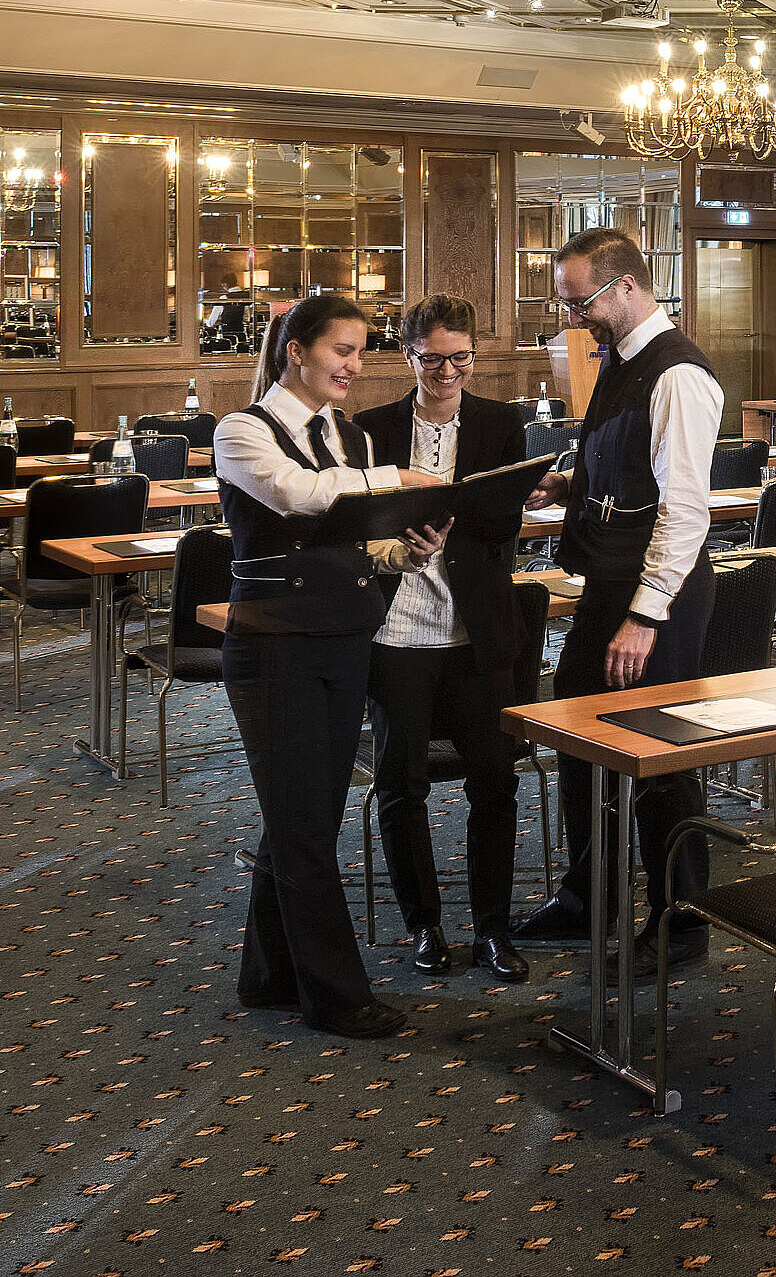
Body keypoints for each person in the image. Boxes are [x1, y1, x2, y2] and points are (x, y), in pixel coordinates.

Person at [214, 293, 447, 1038]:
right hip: (273, 643)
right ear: (297, 351)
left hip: (347, 636)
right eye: (341, 350)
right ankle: (336, 997)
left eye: (359, 351)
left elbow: (357, 543)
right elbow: (298, 496)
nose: (354, 365)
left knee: (302, 816)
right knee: (306, 823)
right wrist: (397, 482)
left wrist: (403, 550)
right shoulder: (242, 431)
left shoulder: (350, 438)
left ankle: (268, 974)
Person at [514, 228, 724, 967]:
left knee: (659, 757)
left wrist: (643, 615)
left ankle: (683, 921)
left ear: (626, 288)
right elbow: (632, 465)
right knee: (579, 734)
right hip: (611, 581)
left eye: (581, 303)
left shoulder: (678, 375)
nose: (574, 318)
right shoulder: (623, 356)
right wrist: (570, 483)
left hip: (654, 599)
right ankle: (590, 897)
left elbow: (685, 510)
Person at [353, 296, 533, 985]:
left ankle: (492, 928)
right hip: (396, 631)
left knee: (495, 782)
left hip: (476, 631)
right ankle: (423, 925)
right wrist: (398, 541)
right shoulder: (368, 431)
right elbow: (355, 527)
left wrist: (452, 523)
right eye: (433, 359)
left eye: (461, 358)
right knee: (403, 786)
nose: (448, 371)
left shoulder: (500, 423)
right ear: (407, 356)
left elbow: (505, 523)